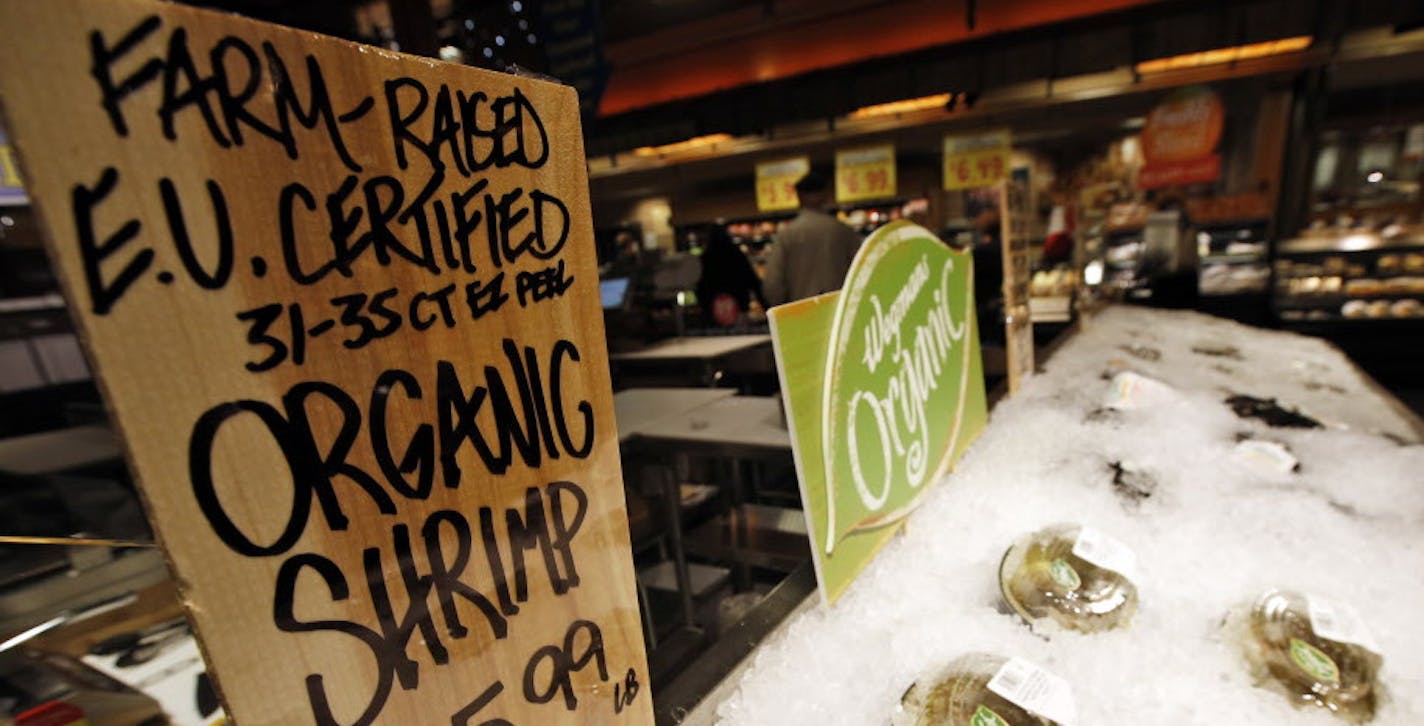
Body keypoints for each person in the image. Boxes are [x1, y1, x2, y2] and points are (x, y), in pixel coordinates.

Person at [761, 172, 862, 305]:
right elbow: (862, 272)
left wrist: (779, 308)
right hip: (839, 310)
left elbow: (773, 283)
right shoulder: (844, 232)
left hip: (800, 313)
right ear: (825, 194)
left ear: (799, 197)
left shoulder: (786, 235)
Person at [696, 227, 768, 326]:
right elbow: (753, 281)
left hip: (713, 312)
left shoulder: (705, 258)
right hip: (740, 308)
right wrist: (766, 307)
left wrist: (705, 309)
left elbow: (700, 287)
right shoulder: (736, 254)